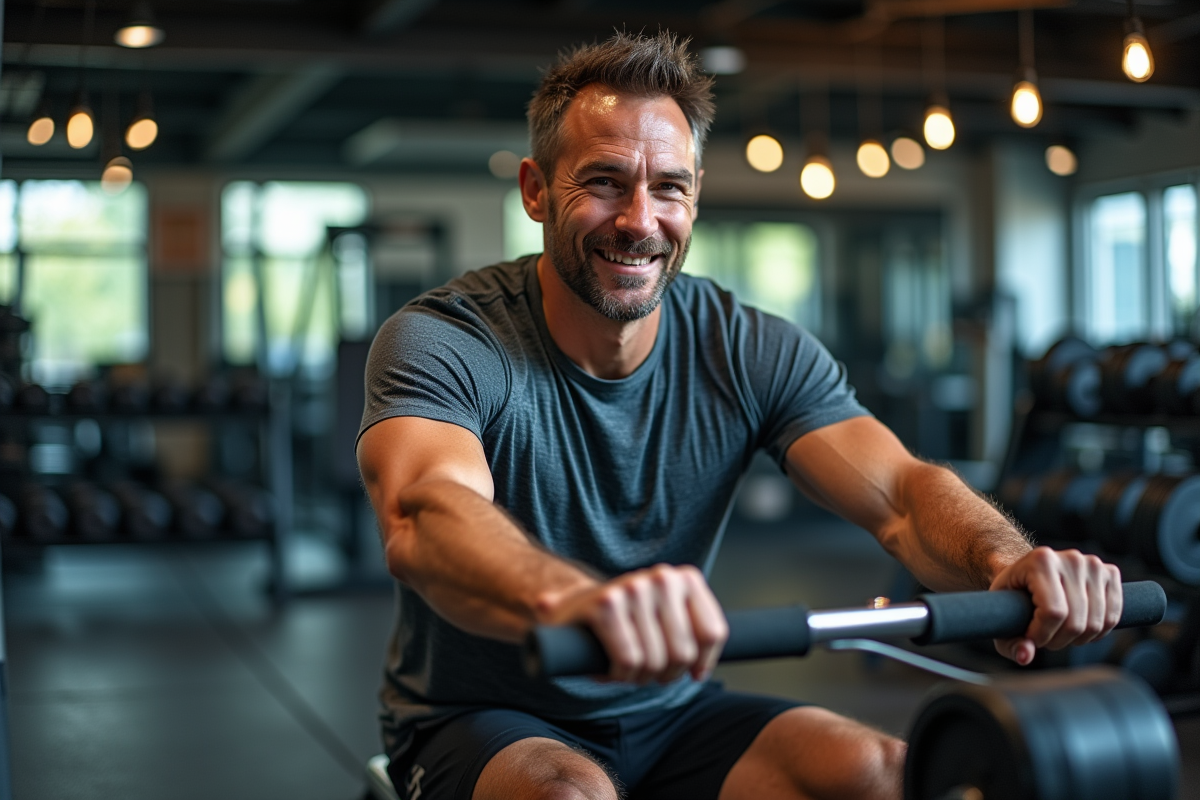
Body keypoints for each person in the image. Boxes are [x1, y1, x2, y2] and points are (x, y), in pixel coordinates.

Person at [356, 31, 1122, 800]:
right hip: (482, 714)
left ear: (694, 197)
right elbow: (425, 513)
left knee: (892, 776)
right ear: (534, 190)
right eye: (604, 182)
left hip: (672, 706)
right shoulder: (449, 338)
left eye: (669, 189)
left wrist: (1003, 559)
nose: (638, 219)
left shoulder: (746, 347)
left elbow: (899, 495)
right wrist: (573, 600)